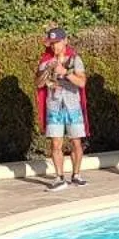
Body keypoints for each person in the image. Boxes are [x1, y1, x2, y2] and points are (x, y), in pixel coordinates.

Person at [34, 27, 89, 191]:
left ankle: (76, 174)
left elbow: (82, 83)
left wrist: (64, 72)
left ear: (65, 41)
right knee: (56, 143)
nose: (54, 46)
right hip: (55, 105)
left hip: (72, 105)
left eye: (57, 42)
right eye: (52, 43)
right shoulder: (45, 61)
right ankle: (59, 177)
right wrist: (46, 72)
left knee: (76, 142)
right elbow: (38, 84)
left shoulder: (75, 59)